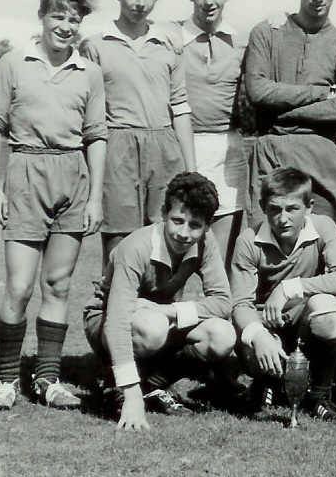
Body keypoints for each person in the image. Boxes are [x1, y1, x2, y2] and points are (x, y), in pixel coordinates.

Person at [0, 0, 107, 411]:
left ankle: (48, 380)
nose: (66, 26)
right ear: (42, 16)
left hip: (73, 176)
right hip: (26, 174)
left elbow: (96, 136)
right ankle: (6, 381)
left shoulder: (89, 72)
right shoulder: (14, 63)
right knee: (19, 286)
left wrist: (95, 198)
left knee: (58, 284)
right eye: (58, 17)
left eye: (74, 19)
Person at [83, 172, 235, 431]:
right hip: (106, 319)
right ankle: (121, 385)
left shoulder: (206, 244)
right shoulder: (136, 246)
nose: (184, 233)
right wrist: (132, 398)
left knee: (222, 335)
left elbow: (222, 302)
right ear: (164, 213)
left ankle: (153, 384)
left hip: (158, 319)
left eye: (195, 225)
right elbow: (117, 322)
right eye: (177, 221)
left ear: (208, 226)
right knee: (152, 328)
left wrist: (167, 310)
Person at [81, 0, 196, 272]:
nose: (140, 2)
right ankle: (115, 305)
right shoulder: (95, 45)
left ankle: (163, 305)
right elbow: (89, 114)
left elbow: (180, 106)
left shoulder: (169, 43)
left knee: (169, 239)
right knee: (120, 245)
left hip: (164, 147)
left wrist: (191, 170)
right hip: (118, 147)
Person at [244, 0, 336, 233]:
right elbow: (257, 91)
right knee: (266, 247)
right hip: (271, 154)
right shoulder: (266, 33)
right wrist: (321, 93)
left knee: (320, 246)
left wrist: (280, 111)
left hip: (321, 160)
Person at [229, 167, 336, 424]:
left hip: (305, 327)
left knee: (328, 310)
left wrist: (289, 288)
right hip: (269, 327)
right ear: (263, 207)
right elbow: (240, 304)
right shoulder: (249, 240)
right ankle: (265, 382)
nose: (283, 218)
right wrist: (260, 336)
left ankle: (320, 395)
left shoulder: (323, 227)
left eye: (292, 209)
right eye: (275, 209)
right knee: (251, 340)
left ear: (309, 207)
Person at [172, 0, 251, 275]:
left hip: (228, 152)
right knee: (172, 260)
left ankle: (221, 308)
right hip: (182, 148)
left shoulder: (241, 43)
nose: (209, 1)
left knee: (222, 262)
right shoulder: (170, 38)